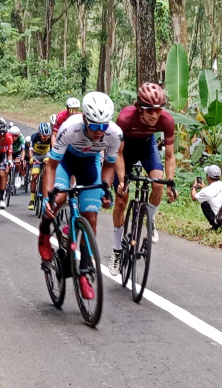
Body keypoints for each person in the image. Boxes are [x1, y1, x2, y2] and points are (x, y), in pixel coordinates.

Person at [38, 92, 124, 300]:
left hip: (90, 163)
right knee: (57, 200)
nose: (99, 132)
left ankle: (84, 273)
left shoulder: (115, 134)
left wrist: (105, 189)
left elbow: (109, 165)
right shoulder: (70, 128)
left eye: (103, 126)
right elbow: (51, 166)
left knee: (91, 218)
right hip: (65, 162)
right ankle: (44, 234)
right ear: (85, 119)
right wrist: (47, 197)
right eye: (94, 126)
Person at [108, 82, 177, 275]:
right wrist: (122, 180)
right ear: (139, 108)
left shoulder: (166, 120)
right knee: (122, 200)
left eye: (158, 109)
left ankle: (151, 219)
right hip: (125, 151)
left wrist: (170, 182)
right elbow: (118, 154)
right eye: (149, 110)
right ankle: (116, 250)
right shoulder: (125, 118)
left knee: (158, 183)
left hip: (147, 147)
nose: (154, 114)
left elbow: (170, 156)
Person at [191, 165, 222, 234]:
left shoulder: (207, 191)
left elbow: (194, 197)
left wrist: (194, 187)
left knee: (204, 203)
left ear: (208, 177)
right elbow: (213, 192)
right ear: (220, 176)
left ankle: (216, 227)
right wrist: (204, 187)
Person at [27, 122, 53, 210]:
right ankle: (32, 199)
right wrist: (31, 158)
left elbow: (53, 151)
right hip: (36, 155)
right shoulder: (34, 137)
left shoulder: (51, 138)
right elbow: (30, 150)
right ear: (39, 134)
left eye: (47, 136)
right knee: (34, 176)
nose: (45, 138)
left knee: (47, 164)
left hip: (46, 154)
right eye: (43, 136)